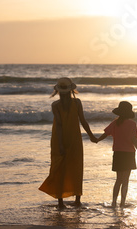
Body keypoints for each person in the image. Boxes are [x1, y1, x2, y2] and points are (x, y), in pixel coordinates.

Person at [39, 77, 97, 209]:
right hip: (64, 139)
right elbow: (61, 125)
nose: (64, 94)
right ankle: (65, 202)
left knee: (72, 167)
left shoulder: (74, 103)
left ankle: (72, 201)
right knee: (62, 168)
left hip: (72, 139)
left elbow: (82, 121)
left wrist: (91, 136)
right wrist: (60, 144)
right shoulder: (60, 105)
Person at [96, 101, 137, 208]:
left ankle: (114, 202)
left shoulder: (115, 123)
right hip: (128, 154)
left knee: (118, 180)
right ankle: (122, 203)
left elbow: (105, 133)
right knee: (125, 180)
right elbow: (133, 140)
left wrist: (97, 140)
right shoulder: (132, 124)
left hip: (118, 153)